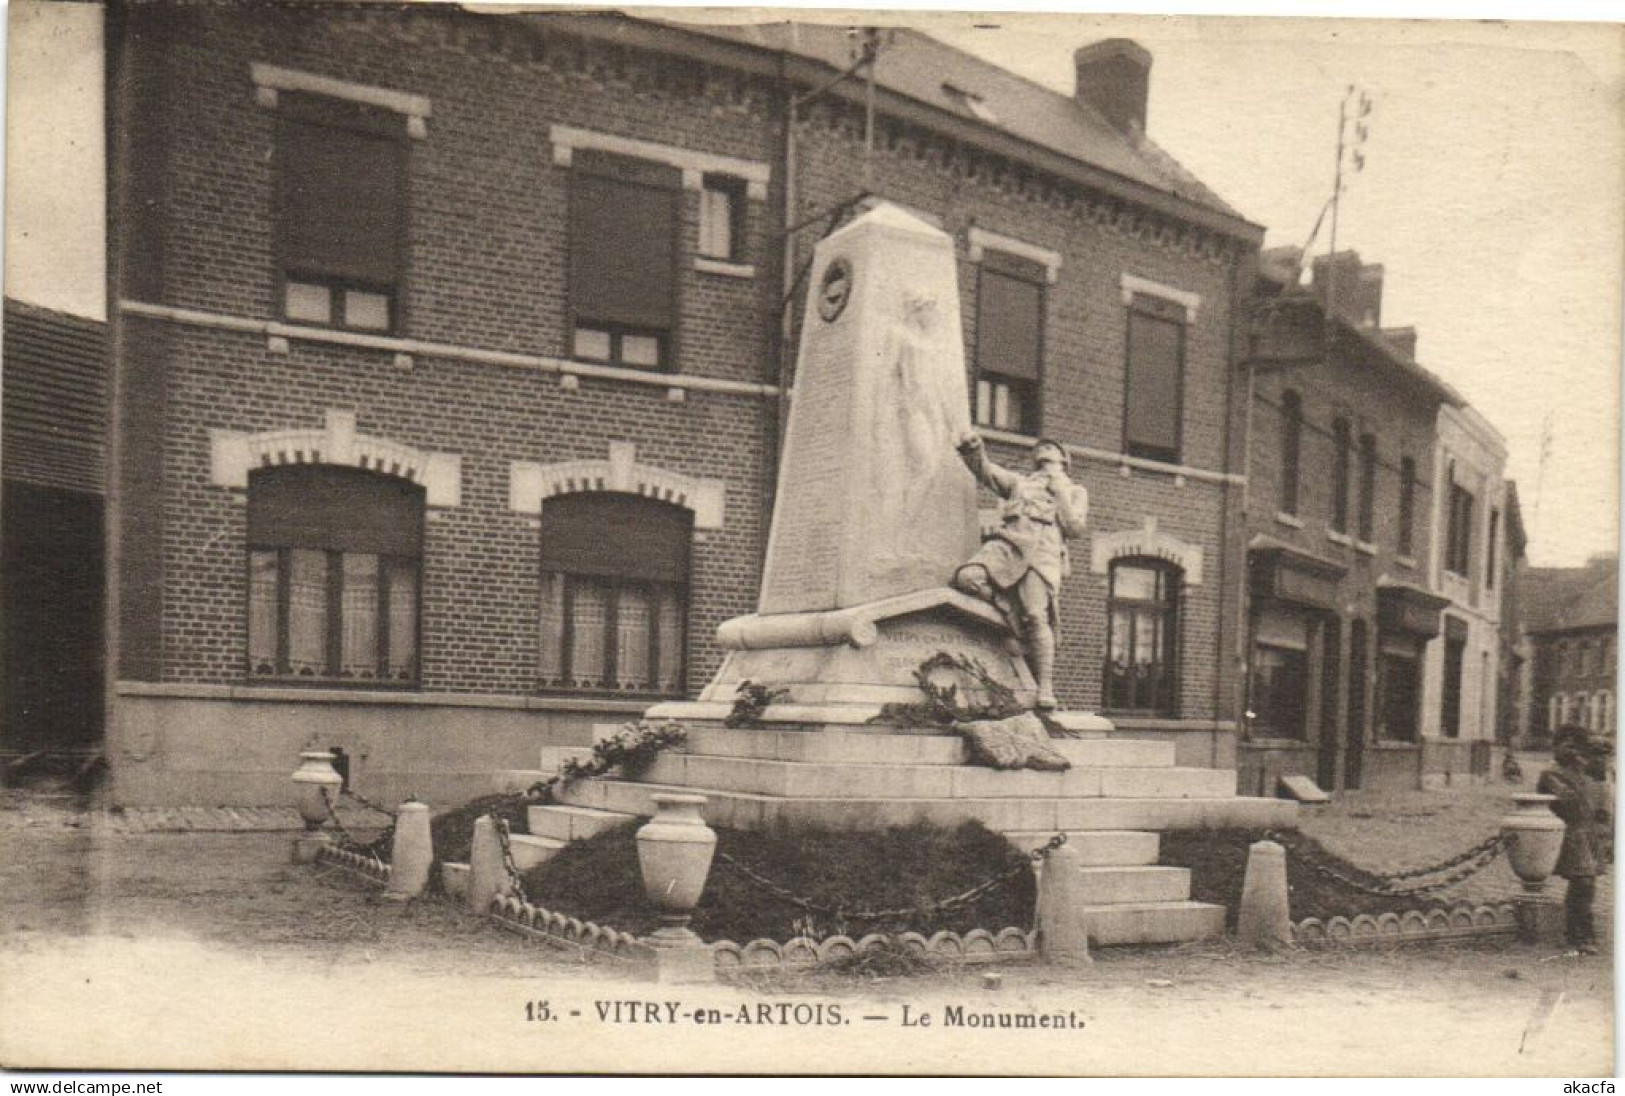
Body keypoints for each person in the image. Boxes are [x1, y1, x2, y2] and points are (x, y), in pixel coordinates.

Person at [952, 432, 1088, 711]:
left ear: (1064, 459)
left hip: (1043, 551)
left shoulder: (1075, 490)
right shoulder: (1019, 483)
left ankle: (1045, 686)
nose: (1045, 449)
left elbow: (1074, 528)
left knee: (1037, 615)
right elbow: (986, 472)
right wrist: (974, 449)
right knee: (967, 578)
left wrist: (1060, 494)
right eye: (1041, 447)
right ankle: (1007, 610)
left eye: (1053, 447)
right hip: (1009, 544)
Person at [1536, 724, 1609, 954]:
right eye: (1564, 745)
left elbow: (1600, 807)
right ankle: (1581, 934)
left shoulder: (1589, 775)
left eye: (1574, 746)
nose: (1569, 751)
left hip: (1588, 835)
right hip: (1568, 834)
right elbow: (1568, 800)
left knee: (1585, 884)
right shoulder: (1551, 775)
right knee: (1584, 881)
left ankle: (1577, 930)